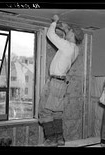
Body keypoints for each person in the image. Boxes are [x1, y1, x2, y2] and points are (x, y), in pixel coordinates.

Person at [38, 15, 84, 147]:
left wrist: (55, 22)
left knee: (45, 111)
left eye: (69, 31)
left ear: (73, 34)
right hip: (61, 83)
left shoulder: (67, 46)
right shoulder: (74, 49)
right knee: (57, 112)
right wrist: (65, 29)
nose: (67, 32)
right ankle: (59, 138)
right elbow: (66, 40)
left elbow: (50, 35)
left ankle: (51, 139)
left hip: (55, 82)